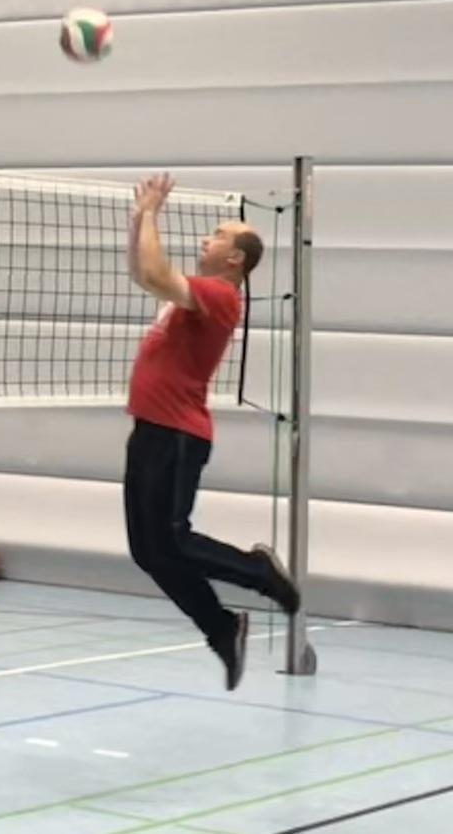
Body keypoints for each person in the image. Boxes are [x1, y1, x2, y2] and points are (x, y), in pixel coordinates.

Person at [124, 173, 299, 691]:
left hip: (177, 434)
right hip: (151, 430)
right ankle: (221, 628)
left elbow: (154, 273)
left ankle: (259, 573)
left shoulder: (222, 296)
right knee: (148, 551)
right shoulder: (194, 295)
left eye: (218, 235)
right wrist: (139, 221)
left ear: (235, 259)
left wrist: (153, 215)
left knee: (172, 538)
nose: (207, 238)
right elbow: (143, 272)